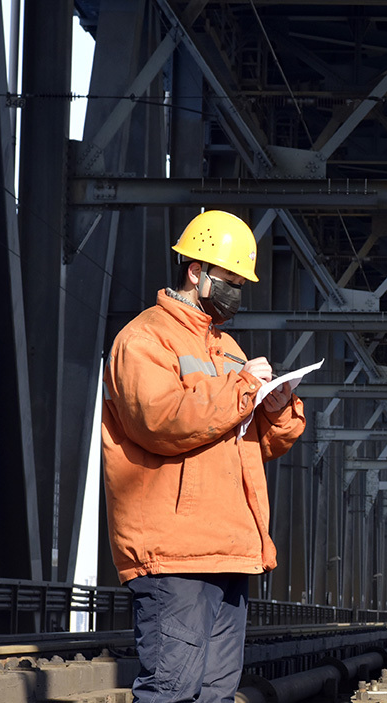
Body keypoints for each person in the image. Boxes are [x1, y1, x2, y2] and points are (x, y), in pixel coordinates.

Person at [101, 210, 307, 703]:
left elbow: (261, 442)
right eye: (229, 280)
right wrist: (239, 389)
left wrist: (277, 407)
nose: (236, 291)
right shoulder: (145, 339)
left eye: (240, 282)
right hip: (175, 551)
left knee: (216, 691)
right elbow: (159, 419)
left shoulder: (229, 349)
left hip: (231, 547)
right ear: (196, 271)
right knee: (171, 689)